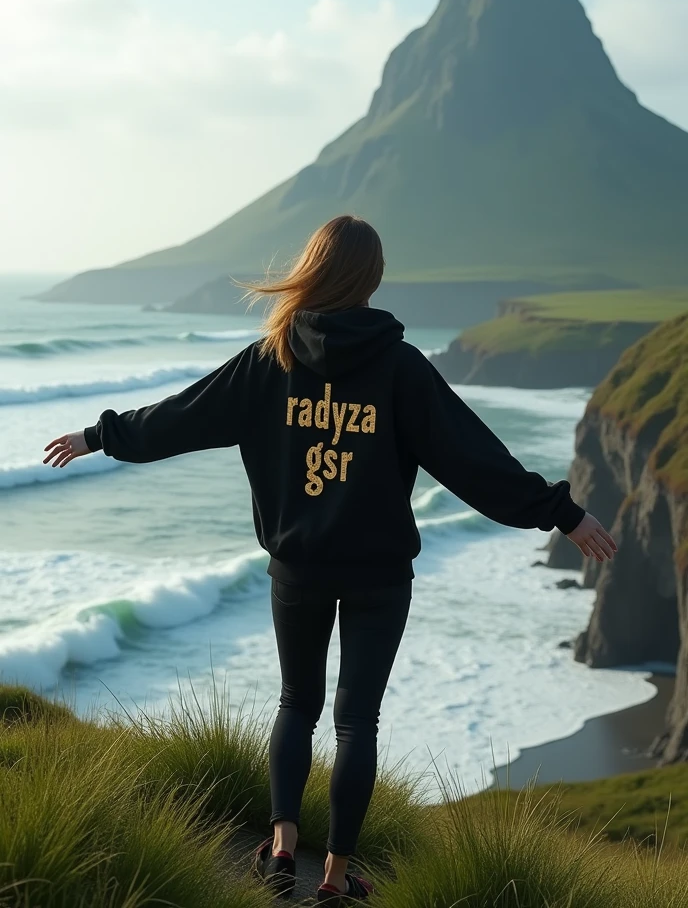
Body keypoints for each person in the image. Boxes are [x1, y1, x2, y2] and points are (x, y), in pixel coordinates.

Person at [44, 215, 617, 904]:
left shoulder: (272, 358)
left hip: (298, 570)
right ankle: (336, 879)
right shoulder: (400, 366)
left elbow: (179, 417)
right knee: (356, 721)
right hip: (378, 574)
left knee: (296, 702)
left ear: (313, 267)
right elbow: (476, 462)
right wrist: (563, 511)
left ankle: (282, 850)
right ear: (370, 279)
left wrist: (96, 435)